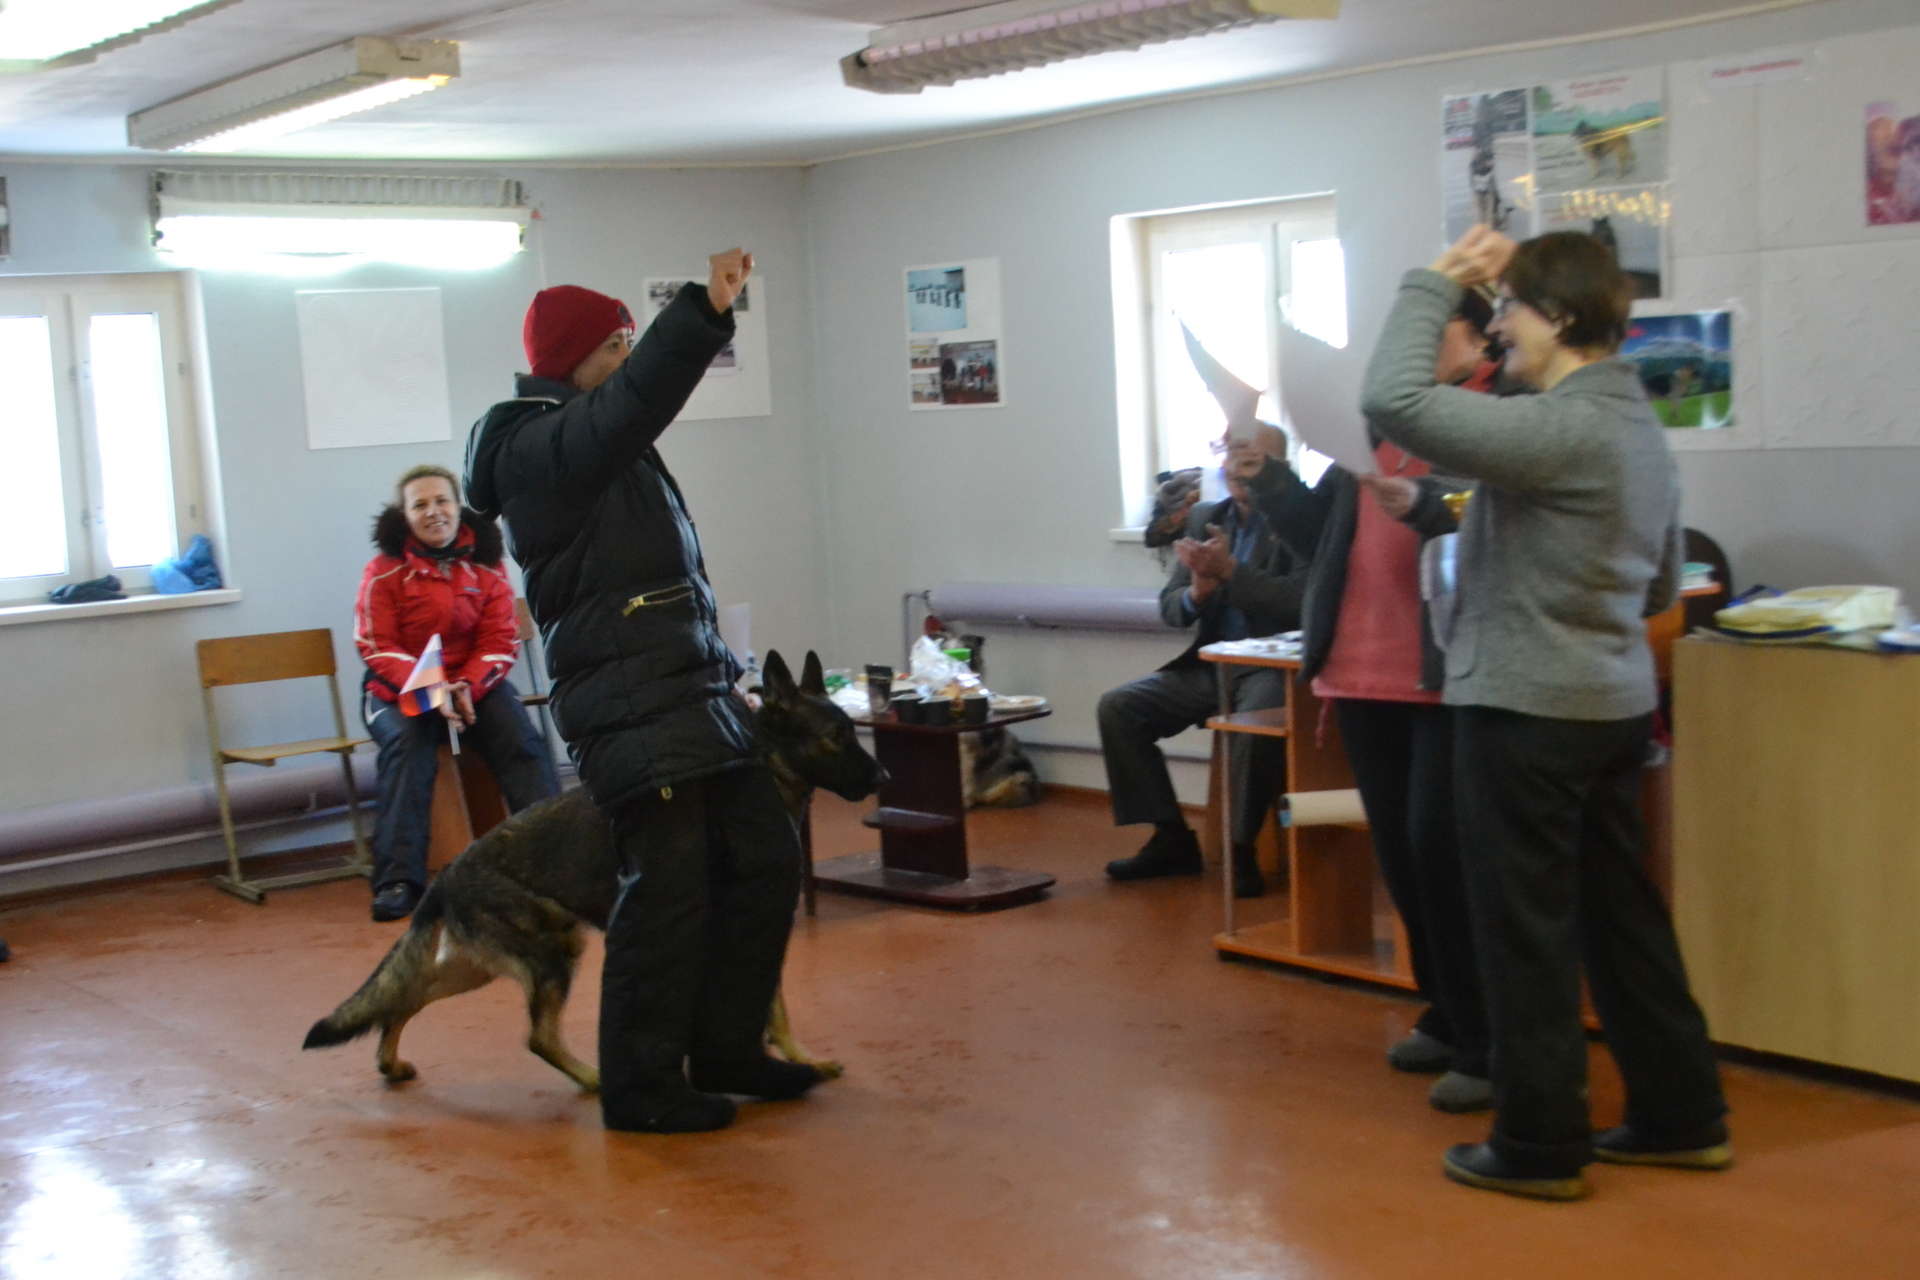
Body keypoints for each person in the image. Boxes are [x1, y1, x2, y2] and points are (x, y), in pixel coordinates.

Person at [1361, 226, 1727, 1201]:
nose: (1498, 328)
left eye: (1512, 308)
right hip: (1611, 705)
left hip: (1526, 709)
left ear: (1559, 317)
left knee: (1523, 932)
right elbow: (1659, 584)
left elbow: (1392, 398)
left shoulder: (1561, 426)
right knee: (1623, 922)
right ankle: (1683, 1117)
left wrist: (1433, 279)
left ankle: (1538, 1143)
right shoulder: (1636, 425)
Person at [464, 252, 815, 1136]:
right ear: (570, 360)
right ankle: (640, 1085)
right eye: (613, 345)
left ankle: (727, 1048)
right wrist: (703, 311)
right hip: (626, 702)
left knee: (763, 855)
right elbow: (638, 399)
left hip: (687, 689)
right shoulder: (538, 448)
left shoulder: (590, 436)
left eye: (631, 341)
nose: (625, 357)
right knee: (667, 890)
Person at [1240, 291, 1499, 1116]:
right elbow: (1319, 537)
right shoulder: (1378, 427)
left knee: (1442, 853)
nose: (1410, 345)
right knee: (1403, 859)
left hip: (1445, 676)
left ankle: (1487, 1040)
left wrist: (1424, 503)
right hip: (1358, 672)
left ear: (1477, 335)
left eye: (1430, 330)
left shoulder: (1496, 417)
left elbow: (1490, 527)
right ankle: (1447, 1011)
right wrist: (1269, 476)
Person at [1098, 432, 1310, 896]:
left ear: (1280, 467)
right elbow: (1171, 607)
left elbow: (1301, 602)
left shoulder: (1300, 520)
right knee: (1119, 708)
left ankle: (1241, 849)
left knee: (1252, 725)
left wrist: (1231, 574)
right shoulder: (1205, 517)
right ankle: (1171, 836)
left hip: (1274, 666)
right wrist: (1197, 592)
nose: (1238, 470)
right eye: (1232, 459)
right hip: (1213, 663)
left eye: (1252, 460)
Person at [353, 464, 559, 922]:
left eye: (441, 501)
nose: (433, 512)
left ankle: (554, 862)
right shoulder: (382, 572)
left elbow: (499, 639)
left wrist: (467, 685)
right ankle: (398, 881)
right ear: (404, 515)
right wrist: (433, 688)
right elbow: (375, 644)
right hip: (397, 690)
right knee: (407, 747)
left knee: (522, 741)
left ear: (457, 507)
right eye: (420, 505)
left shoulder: (487, 565)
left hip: (471, 686)